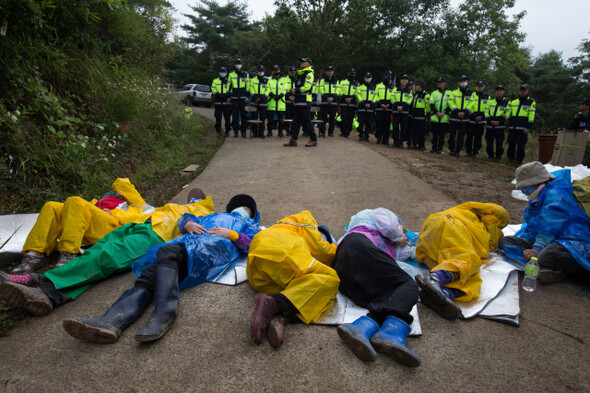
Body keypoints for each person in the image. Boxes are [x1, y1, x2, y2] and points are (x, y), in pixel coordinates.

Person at [62, 194, 261, 343]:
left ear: (252, 214)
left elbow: (255, 244)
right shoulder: (213, 215)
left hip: (210, 252)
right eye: (239, 206)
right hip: (188, 245)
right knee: (151, 272)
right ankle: (112, 321)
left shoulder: (249, 226)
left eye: (247, 208)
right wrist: (189, 223)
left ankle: (165, 313)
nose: (241, 210)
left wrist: (233, 235)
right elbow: (184, 218)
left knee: (167, 253)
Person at [0, 189, 214, 317]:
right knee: (96, 258)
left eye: (196, 197)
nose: (192, 199)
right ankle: (51, 296)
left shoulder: (205, 210)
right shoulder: (172, 206)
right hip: (136, 226)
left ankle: (41, 282)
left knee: (105, 257)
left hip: (155, 236)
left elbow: (205, 227)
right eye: (192, 197)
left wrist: (190, 222)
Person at [333, 208, 421, 367]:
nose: (403, 231)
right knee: (409, 285)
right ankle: (391, 333)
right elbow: (389, 227)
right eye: (402, 227)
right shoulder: (375, 214)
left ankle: (361, 329)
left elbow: (407, 253)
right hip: (357, 246)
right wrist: (400, 236)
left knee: (388, 295)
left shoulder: (390, 245)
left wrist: (409, 243)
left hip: (347, 274)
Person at [11, 178, 149, 274]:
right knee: (51, 206)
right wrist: (97, 209)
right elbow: (77, 215)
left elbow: (135, 218)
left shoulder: (134, 205)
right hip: (90, 228)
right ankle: (36, 253)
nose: (115, 193)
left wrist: (113, 212)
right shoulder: (94, 203)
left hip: (111, 228)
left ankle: (68, 253)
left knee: (75, 200)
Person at [247, 210, 339, 348]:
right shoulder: (306, 218)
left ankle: (281, 318)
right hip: (284, 252)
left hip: (257, 273)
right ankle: (276, 305)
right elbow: (322, 251)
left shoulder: (279, 225)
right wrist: (335, 248)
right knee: (330, 279)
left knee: (298, 290)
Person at [414, 202, 509, 320]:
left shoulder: (461, 210)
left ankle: (441, 294)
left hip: (427, 246)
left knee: (461, 271)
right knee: (469, 263)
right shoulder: (482, 225)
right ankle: (436, 279)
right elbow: (487, 246)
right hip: (451, 230)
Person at [500, 162, 590, 283]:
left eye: (525, 187)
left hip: (570, 240)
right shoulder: (540, 195)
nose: (523, 190)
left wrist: (536, 249)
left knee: (547, 255)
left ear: (538, 182)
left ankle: (563, 271)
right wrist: (527, 240)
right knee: (505, 241)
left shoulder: (556, 195)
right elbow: (534, 225)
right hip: (549, 240)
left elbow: (549, 227)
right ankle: (548, 267)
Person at [284, 57, 317, 147]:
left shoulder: (309, 73)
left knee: (307, 122)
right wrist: (294, 91)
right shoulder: (300, 74)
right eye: (301, 61)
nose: (301, 63)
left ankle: (313, 139)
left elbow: (307, 87)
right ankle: (293, 140)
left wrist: (296, 91)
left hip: (305, 102)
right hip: (298, 102)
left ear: (308, 64)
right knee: (295, 123)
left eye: (303, 61)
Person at [506, 84, 536, 164]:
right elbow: (509, 113)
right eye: (521, 90)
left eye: (524, 90)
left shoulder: (531, 102)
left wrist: (528, 127)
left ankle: (518, 160)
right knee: (511, 143)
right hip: (513, 127)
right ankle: (510, 159)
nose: (523, 92)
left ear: (527, 91)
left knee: (521, 145)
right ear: (519, 91)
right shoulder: (513, 102)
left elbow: (531, 115)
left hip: (523, 128)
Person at [448, 75, 473, 156]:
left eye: (465, 81)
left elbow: (471, 103)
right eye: (462, 81)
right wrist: (457, 112)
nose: (464, 83)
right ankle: (451, 149)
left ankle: (458, 151)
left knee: (461, 136)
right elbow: (450, 103)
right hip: (454, 117)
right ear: (459, 82)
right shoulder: (453, 92)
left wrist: (465, 112)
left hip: (464, 118)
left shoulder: (471, 93)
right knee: (452, 135)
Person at [485, 85, 510, 161]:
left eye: (500, 90)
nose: (499, 92)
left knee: (499, 142)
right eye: (497, 90)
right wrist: (490, 120)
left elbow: (508, 112)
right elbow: (486, 111)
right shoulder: (490, 101)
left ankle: (498, 157)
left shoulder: (507, 102)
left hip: (500, 125)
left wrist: (500, 121)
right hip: (490, 124)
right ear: (495, 92)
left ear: (504, 92)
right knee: (489, 142)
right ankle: (490, 156)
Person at [428, 77, 453, 153]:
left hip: (444, 118)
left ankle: (440, 148)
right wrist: (437, 113)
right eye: (438, 82)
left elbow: (450, 104)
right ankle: (434, 147)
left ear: (444, 83)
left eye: (440, 82)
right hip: (435, 117)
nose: (439, 83)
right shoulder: (434, 93)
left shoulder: (450, 93)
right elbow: (431, 104)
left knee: (442, 135)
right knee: (434, 134)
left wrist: (444, 112)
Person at [466, 80, 489, 157]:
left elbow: (488, 108)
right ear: (475, 87)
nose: (480, 88)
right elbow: (469, 105)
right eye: (478, 86)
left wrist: (482, 116)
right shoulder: (471, 95)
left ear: (484, 87)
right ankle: (468, 151)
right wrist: (474, 116)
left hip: (481, 119)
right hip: (472, 118)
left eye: (481, 86)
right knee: (469, 136)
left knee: (478, 137)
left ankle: (476, 152)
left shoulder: (487, 96)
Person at [228, 58, 250, 138]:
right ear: (234, 64)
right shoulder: (231, 74)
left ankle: (243, 132)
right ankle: (236, 131)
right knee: (235, 116)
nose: (238, 65)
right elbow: (229, 86)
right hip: (234, 98)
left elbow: (248, 86)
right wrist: (228, 96)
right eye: (237, 63)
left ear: (241, 64)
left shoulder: (245, 74)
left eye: (239, 63)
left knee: (244, 116)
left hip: (243, 98)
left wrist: (247, 96)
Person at [317, 65, 340, 138]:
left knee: (332, 118)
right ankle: (322, 132)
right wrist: (327, 97)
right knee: (323, 118)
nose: (330, 72)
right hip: (324, 102)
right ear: (326, 72)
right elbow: (321, 90)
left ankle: (331, 132)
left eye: (331, 71)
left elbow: (338, 91)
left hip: (333, 103)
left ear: (333, 72)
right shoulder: (322, 81)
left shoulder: (336, 81)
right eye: (328, 71)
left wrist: (332, 98)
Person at [337, 67, 359, 138]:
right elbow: (339, 90)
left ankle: (347, 132)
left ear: (355, 74)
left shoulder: (357, 83)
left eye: (353, 74)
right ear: (348, 73)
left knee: (350, 119)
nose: (351, 75)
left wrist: (351, 98)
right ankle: (343, 131)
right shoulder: (343, 82)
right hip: (343, 102)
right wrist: (345, 98)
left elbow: (357, 93)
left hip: (352, 104)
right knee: (343, 118)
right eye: (350, 73)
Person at [408, 80, 430, 151]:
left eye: (417, 85)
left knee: (421, 132)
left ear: (420, 86)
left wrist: (427, 115)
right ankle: (414, 144)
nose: (416, 86)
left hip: (422, 117)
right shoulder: (416, 94)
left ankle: (421, 146)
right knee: (414, 131)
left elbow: (428, 106)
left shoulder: (426, 95)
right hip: (414, 116)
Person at [266, 65, 287, 137]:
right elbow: (268, 89)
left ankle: (280, 132)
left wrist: (280, 95)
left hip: (281, 103)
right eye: (274, 70)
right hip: (271, 102)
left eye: (277, 70)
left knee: (281, 120)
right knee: (270, 120)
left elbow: (285, 89)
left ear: (279, 70)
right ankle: (269, 132)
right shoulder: (269, 80)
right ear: (272, 71)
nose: (276, 71)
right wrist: (272, 95)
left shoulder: (284, 80)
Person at [374, 70, 395, 145]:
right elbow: (375, 95)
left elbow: (394, 96)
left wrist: (389, 104)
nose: (389, 77)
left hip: (388, 107)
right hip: (380, 107)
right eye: (388, 75)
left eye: (390, 76)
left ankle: (385, 139)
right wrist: (380, 104)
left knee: (387, 124)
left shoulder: (393, 86)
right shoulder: (378, 85)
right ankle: (378, 138)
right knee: (379, 123)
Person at [249, 65, 269, 138]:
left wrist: (264, 95)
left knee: (262, 118)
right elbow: (251, 88)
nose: (261, 72)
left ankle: (261, 133)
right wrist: (255, 95)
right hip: (254, 101)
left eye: (262, 71)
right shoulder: (253, 80)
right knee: (254, 117)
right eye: (260, 71)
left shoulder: (266, 80)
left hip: (263, 101)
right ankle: (254, 133)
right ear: (257, 71)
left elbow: (268, 89)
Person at [355, 72, 376, 142]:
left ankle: (366, 136)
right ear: (364, 78)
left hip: (370, 107)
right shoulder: (360, 86)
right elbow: (358, 95)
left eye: (369, 77)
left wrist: (371, 103)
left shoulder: (374, 87)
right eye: (367, 77)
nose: (368, 78)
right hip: (361, 107)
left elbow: (375, 96)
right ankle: (361, 135)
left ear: (371, 78)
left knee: (368, 123)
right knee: (360, 122)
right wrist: (363, 103)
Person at [211, 66, 232, 136]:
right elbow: (213, 89)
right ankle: (218, 131)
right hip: (218, 101)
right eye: (221, 72)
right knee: (218, 118)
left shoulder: (228, 81)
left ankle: (227, 131)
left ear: (226, 73)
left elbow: (231, 89)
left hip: (226, 103)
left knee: (227, 119)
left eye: (224, 72)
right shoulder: (215, 80)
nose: (222, 73)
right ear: (219, 72)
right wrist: (218, 94)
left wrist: (228, 94)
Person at [283, 66, 298, 137]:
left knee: (294, 117)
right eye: (291, 72)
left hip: (295, 100)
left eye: (293, 72)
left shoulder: (297, 79)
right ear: (289, 72)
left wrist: (295, 97)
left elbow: (298, 89)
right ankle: (287, 130)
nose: (292, 73)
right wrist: (288, 97)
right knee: (288, 116)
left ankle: (292, 130)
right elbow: (284, 89)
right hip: (287, 100)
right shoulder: (285, 79)